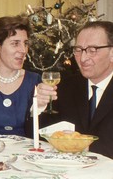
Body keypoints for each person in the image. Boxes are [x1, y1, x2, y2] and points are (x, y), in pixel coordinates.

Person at [34, 20, 113, 159]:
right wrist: (39, 107)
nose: (83, 58)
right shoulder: (66, 86)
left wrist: (80, 145)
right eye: (78, 50)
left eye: (92, 50)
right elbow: (35, 137)